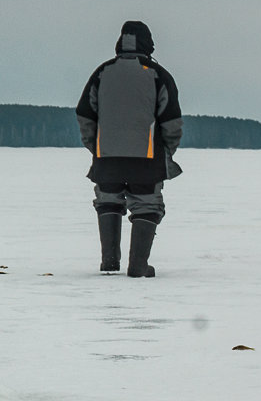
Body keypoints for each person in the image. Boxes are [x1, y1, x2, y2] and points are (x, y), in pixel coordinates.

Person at [75, 21, 183, 277]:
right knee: (147, 206)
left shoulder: (102, 73)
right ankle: (138, 265)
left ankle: (109, 263)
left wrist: (96, 148)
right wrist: (166, 152)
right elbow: (172, 122)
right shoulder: (158, 74)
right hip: (147, 159)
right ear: (149, 44)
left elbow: (84, 115)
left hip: (107, 157)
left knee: (108, 201)